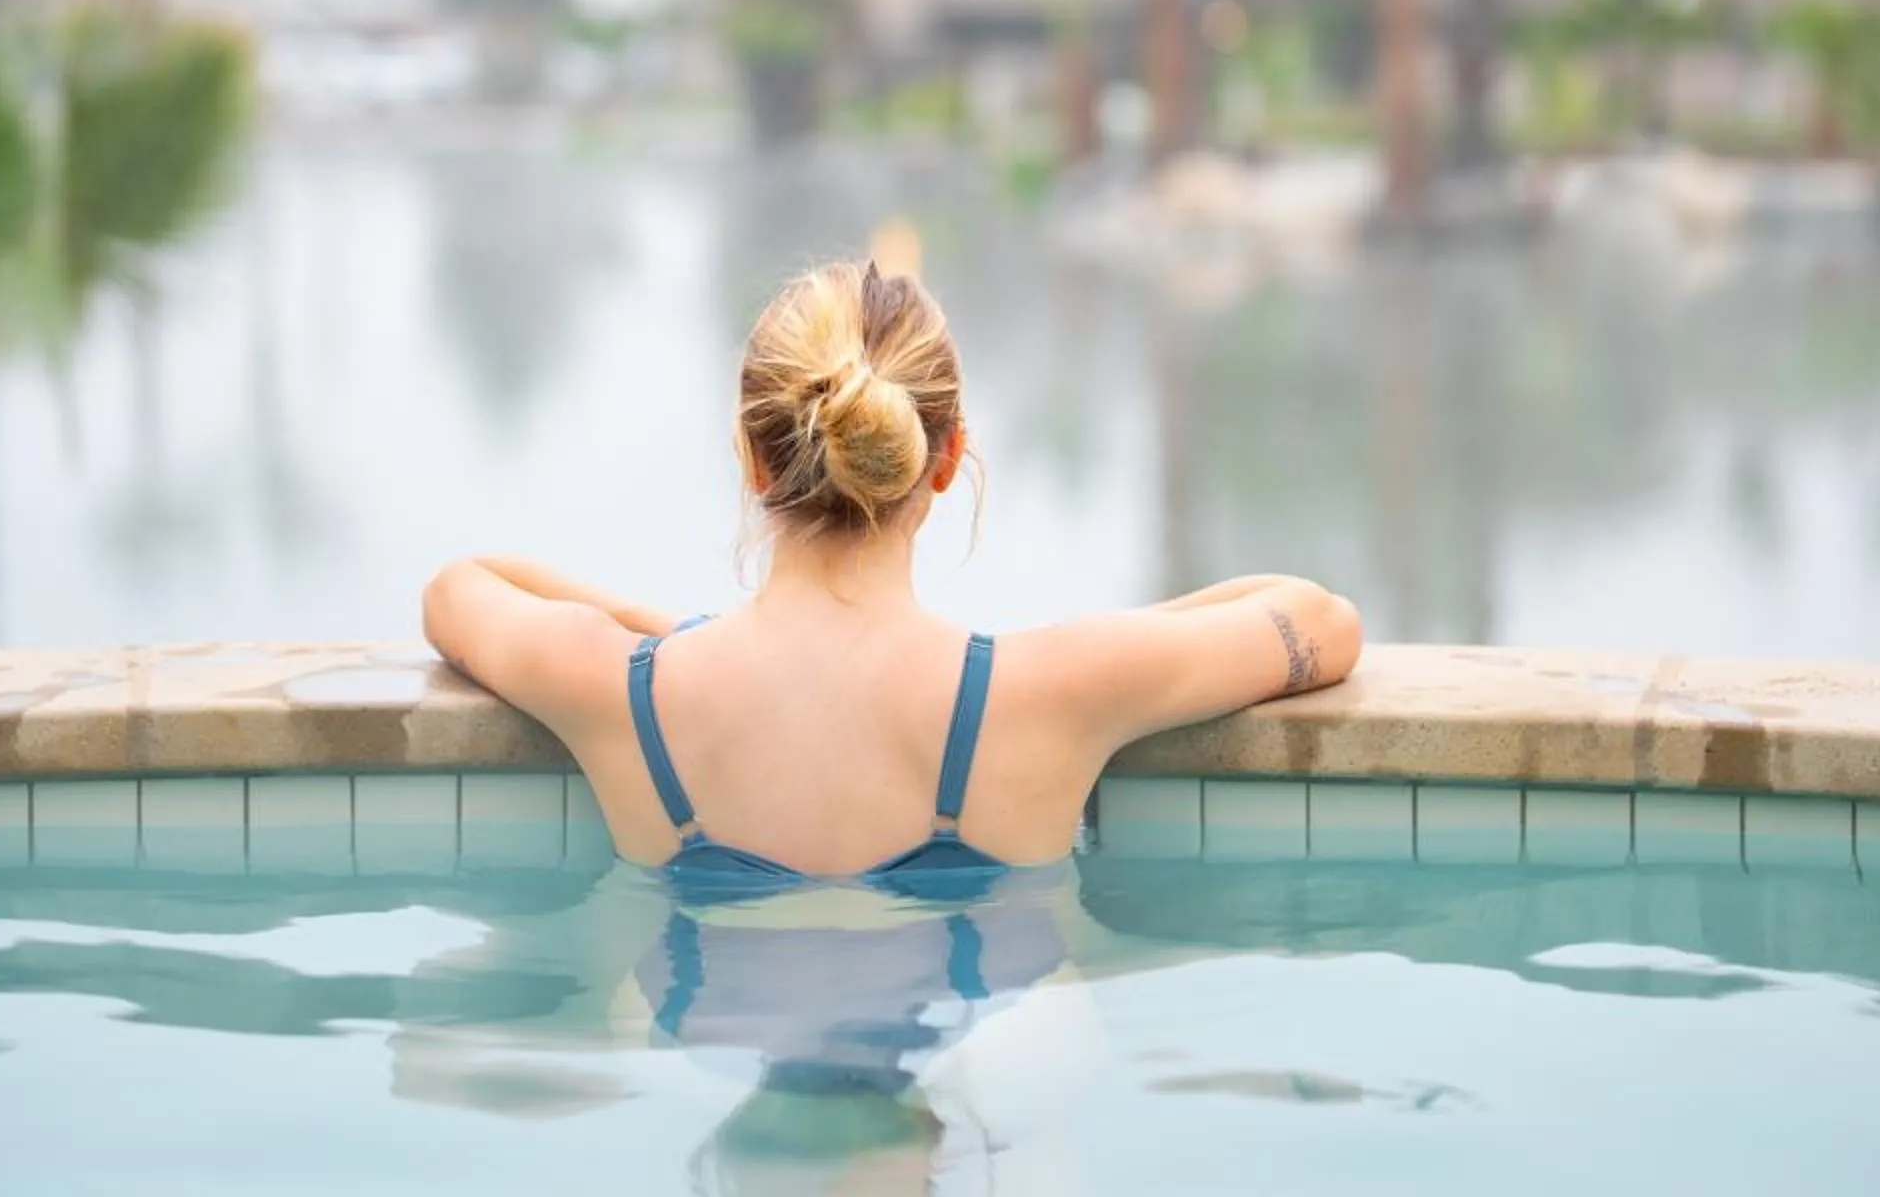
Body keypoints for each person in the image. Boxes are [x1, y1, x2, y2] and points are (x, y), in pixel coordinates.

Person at [421, 256, 1364, 883]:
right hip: (989, 1078)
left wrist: (675, 639)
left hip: (721, 1067)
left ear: (752, 464)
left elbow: (460, 587)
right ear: (944, 460)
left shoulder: (617, 688)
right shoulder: (1064, 682)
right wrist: (1109, 650)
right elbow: (1319, 622)